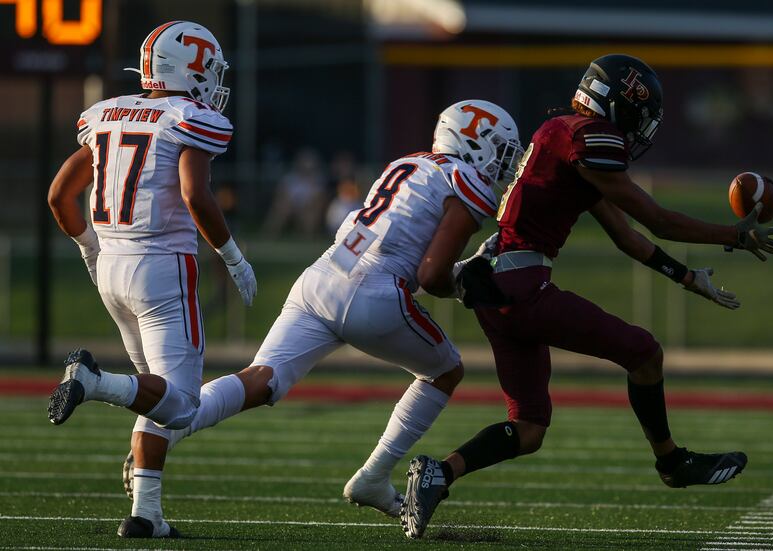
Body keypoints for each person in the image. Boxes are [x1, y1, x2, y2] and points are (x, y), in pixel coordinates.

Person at [400, 54, 773, 539]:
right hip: (522, 285)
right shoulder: (588, 136)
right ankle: (672, 462)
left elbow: (627, 237)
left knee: (529, 428)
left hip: (493, 290)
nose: (641, 127)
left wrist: (687, 277)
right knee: (645, 354)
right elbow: (657, 220)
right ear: (618, 105)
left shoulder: (563, 136)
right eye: (640, 114)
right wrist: (734, 235)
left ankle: (439, 473)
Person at [119, 99, 524, 519]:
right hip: (374, 292)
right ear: (474, 142)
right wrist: (465, 285)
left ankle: (163, 434)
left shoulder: (409, 163)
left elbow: (406, 251)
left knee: (260, 379)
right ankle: (373, 476)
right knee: (445, 371)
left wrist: (456, 274)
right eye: (500, 150)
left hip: (323, 275)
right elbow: (431, 275)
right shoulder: (465, 181)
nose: (503, 163)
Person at [46, 21, 256, 538]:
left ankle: (147, 515)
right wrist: (232, 256)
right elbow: (194, 194)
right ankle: (93, 382)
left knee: (154, 393)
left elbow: (60, 195)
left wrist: (89, 248)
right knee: (182, 405)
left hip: (111, 270)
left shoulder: (106, 113)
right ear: (190, 69)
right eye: (209, 68)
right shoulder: (189, 117)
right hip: (162, 268)